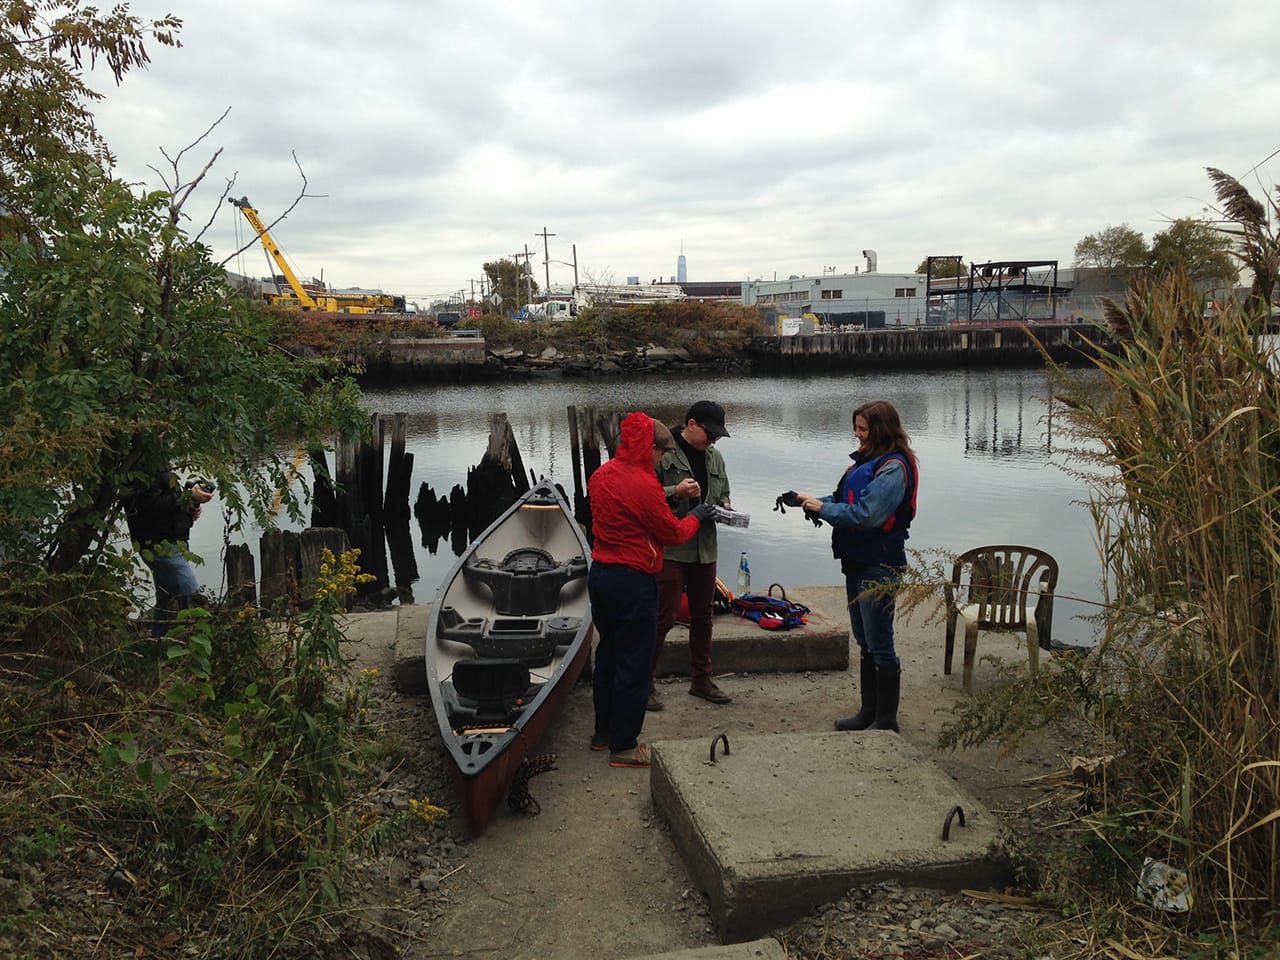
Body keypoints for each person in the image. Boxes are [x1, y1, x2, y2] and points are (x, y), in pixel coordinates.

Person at [587, 412, 714, 768]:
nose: (662, 459)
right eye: (661, 452)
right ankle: (624, 746)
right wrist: (697, 517)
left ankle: (603, 734)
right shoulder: (644, 483)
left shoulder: (600, 476)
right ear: (650, 447)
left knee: (609, 655)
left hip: (601, 574)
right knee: (635, 662)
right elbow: (672, 533)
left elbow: (628, 515)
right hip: (633, 581)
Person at [795, 400, 918, 732]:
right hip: (857, 561)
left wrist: (822, 509)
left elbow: (868, 514)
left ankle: (886, 721)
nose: (857, 434)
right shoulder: (867, 463)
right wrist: (809, 501)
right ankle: (868, 712)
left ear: (880, 430)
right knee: (865, 639)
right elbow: (845, 500)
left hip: (880, 562)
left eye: (863, 429)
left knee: (880, 641)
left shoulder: (893, 468)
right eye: (857, 428)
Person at [650, 400, 733, 709]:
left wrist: (725, 507)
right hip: (672, 549)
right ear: (692, 425)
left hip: (705, 549)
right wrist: (676, 492)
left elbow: (724, 494)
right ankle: (644, 681)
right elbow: (644, 496)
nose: (713, 441)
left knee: (703, 617)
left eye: (718, 436)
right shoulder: (662, 453)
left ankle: (701, 680)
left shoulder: (716, 458)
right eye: (710, 434)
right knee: (663, 617)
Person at [124, 468, 216, 637]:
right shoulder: (143, 466)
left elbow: (166, 504)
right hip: (160, 545)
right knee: (192, 600)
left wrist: (190, 507)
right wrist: (188, 496)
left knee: (166, 601)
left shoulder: (158, 463)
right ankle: (203, 643)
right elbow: (151, 505)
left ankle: (158, 643)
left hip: (169, 542)